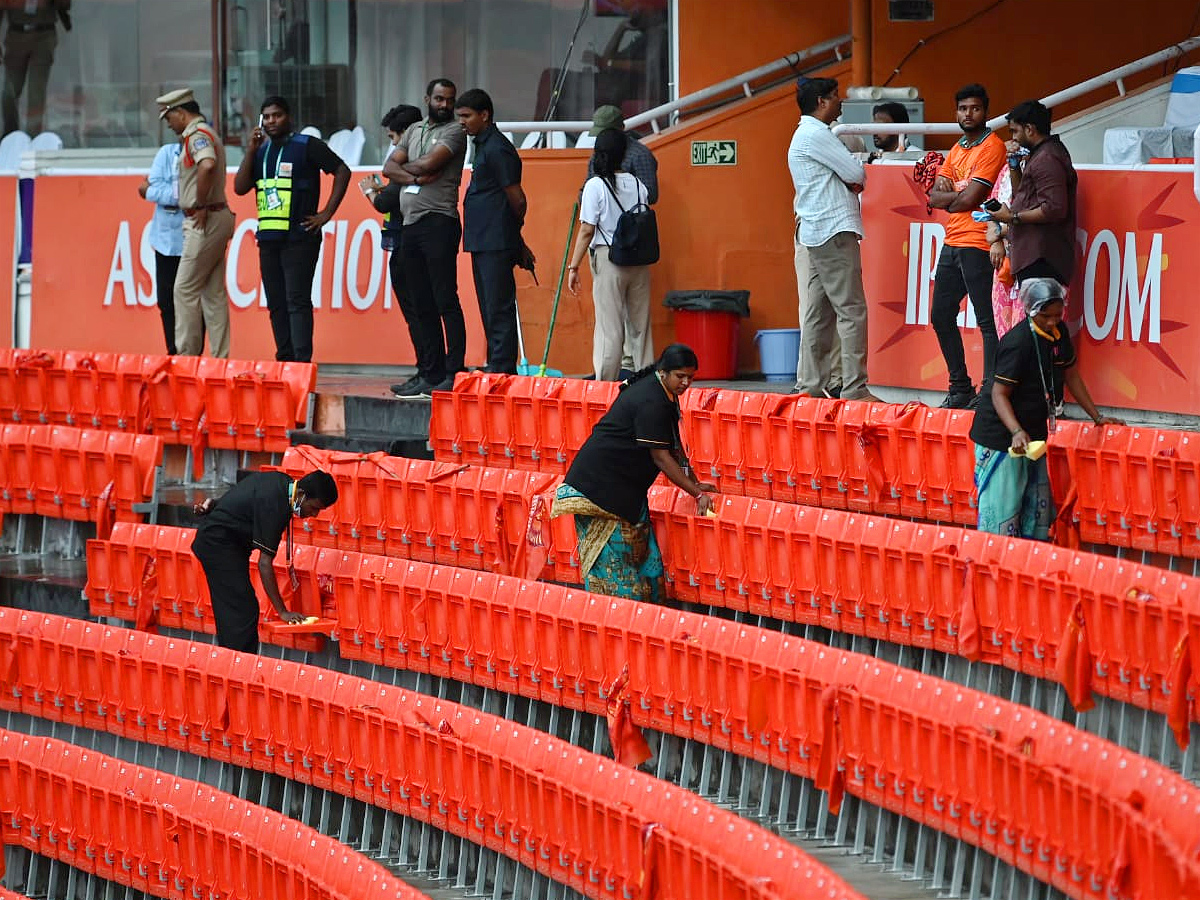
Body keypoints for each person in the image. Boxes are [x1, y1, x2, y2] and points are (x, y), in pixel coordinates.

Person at [551, 344, 715, 602]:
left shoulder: (663, 394)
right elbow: (661, 457)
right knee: (617, 572)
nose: (685, 383)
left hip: (623, 492)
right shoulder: (652, 401)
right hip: (601, 492)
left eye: (690, 377)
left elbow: (673, 446)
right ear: (664, 372)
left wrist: (695, 481)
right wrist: (695, 494)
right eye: (680, 376)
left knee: (644, 560)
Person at [969, 278, 1123, 540]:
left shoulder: (1059, 333)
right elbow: (999, 394)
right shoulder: (1018, 342)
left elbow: (1072, 376)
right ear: (1031, 311)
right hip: (1001, 437)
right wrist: (1016, 431)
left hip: (1031, 435)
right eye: (1046, 316)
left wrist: (1097, 417)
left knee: (1035, 512)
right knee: (1003, 513)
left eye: (1057, 314)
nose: (1052, 321)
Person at [233, 95, 351, 363]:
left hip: (300, 236)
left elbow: (342, 170)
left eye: (277, 115)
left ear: (289, 117)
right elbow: (240, 187)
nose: (272, 121)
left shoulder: (306, 145)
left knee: (296, 300)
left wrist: (326, 213)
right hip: (269, 238)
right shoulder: (261, 151)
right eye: (267, 117)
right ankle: (284, 358)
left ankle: (300, 362)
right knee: (276, 302)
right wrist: (250, 150)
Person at [789, 77, 878, 403]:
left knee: (817, 315)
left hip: (814, 233)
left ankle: (810, 387)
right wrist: (850, 179)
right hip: (833, 231)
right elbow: (857, 175)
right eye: (835, 96)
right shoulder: (817, 135)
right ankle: (855, 389)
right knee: (852, 311)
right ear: (822, 102)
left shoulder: (804, 135)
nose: (840, 101)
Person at [384, 78, 469, 398]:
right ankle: (428, 372)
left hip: (439, 221)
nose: (444, 105)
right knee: (420, 301)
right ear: (427, 98)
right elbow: (389, 167)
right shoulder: (414, 130)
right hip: (411, 224)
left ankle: (454, 370)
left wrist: (407, 170)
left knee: (445, 298)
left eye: (449, 99)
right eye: (438, 98)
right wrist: (415, 176)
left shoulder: (455, 131)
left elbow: (434, 162)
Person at [191, 469, 338, 653]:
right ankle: (237, 664)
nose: (314, 514)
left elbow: (243, 493)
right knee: (241, 609)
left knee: (235, 607)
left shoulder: (281, 482)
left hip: (227, 545)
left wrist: (214, 504)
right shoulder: (276, 505)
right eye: (314, 508)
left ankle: (233, 658)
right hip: (218, 545)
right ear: (301, 494)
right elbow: (264, 564)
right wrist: (282, 611)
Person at [927, 84, 1007, 409]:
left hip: (978, 241)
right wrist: (951, 199)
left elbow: (972, 199)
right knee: (940, 316)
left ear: (985, 111)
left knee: (986, 321)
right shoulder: (957, 148)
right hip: (951, 242)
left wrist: (951, 198)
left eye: (974, 108)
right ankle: (960, 387)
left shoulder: (993, 146)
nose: (967, 114)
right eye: (962, 109)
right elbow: (933, 196)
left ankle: (989, 393)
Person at [456, 88, 535, 375]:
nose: (462, 122)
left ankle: (502, 366)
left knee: (499, 304)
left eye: (466, 116)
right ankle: (496, 361)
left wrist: (514, 235)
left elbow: (518, 199)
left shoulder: (498, 148)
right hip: (482, 239)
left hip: (496, 239)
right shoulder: (481, 145)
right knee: (488, 303)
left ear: (484, 115)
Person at [566, 128, 653, 381]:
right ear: (624, 154)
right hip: (639, 261)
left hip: (609, 259)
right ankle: (646, 380)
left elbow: (586, 230)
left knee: (609, 328)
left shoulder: (595, 185)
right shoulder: (638, 185)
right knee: (641, 327)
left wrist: (573, 267)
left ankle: (604, 385)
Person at [157, 88, 235, 358]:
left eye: (170, 118)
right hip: (216, 215)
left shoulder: (196, 136)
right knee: (212, 292)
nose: (169, 125)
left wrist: (200, 203)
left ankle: (186, 358)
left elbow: (207, 165)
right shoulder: (207, 133)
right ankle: (220, 359)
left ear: (181, 112)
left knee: (183, 289)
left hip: (205, 218)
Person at [988, 100, 1078, 287]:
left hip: (1042, 257)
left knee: (1040, 316)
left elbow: (1053, 209)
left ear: (1029, 129)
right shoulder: (1039, 155)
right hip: (1033, 255)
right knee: (1035, 316)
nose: (1013, 139)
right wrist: (1014, 165)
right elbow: (1024, 196)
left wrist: (1012, 217)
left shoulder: (1047, 158)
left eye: (1014, 131)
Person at [362, 105, 423, 312]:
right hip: (420, 241)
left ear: (406, 133)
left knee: (415, 314)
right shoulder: (429, 156)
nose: (394, 144)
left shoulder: (406, 161)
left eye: (393, 137)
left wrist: (369, 190)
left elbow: (384, 203)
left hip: (405, 244)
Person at [138, 141, 185, 355]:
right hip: (164, 238)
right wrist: (159, 191)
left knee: (190, 302)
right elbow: (168, 191)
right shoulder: (167, 152)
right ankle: (172, 352)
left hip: (191, 240)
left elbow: (181, 196)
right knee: (166, 301)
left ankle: (191, 354)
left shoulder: (202, 153)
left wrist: (151, 192)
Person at [2, 0, 70, 136]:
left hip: (43, 35)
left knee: (36, 92)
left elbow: (66, 4)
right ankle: (11, 134)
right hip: (16, 34)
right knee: (9, 93)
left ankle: (33, 136)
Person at [584, 105, 658, 204]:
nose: (601, 137)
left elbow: (651, 195)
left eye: (606, 133)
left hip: (629, 216)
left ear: (621, 128)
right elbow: (588, 183)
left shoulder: (640, 155)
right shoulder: (599, 152)